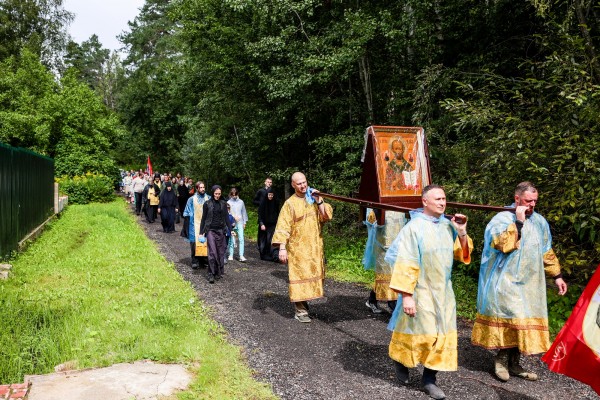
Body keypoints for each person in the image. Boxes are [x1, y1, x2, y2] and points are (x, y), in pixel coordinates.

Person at [471, 181, 567, 383]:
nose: (532, 205)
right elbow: (501, 244)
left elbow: (546, 250)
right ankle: (501, 360)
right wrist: (519, 222)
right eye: (527, 201)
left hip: (530, 283)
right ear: (517, 199)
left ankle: (515, 363)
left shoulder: (540, 222)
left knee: (523, 320)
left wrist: (557, 276)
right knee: (511, 318)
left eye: (534, 201)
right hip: (505, 281)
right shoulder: (501, 218)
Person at [385, 184, 472, 400]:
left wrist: (462, 232)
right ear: (425, 201)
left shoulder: (448, 226)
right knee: (420, 333)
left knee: (443, 335)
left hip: (444, 292)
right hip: (420, 289)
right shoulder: (413, 228)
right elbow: (406, 261)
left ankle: (429, 379)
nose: (443, 203)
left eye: (444, 199)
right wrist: (407, 296)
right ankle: (401, 360)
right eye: (438, 199)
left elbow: (463, 255)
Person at [272, 172, 333, 323]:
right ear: (293, 185)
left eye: (304, 182)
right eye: (299, 183)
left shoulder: (314, 198)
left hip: (314, 247)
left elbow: (326, 217)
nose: (303, 185)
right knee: (298, 277)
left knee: (313, 277)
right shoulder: (289, 204)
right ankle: (300, 311)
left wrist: (319, 201)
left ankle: (304, 306)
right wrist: (282, 248)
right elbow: (283, 226)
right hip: (297, 250)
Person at [362, 208, 406, 314]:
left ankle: (372, 300)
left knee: (395, 274)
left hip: (398, 245)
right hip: (383, 245)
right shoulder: (378, 201)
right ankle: (392, 304)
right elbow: (370, 220)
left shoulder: (401, 203)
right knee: (386, 275)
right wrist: (377, 211)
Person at [199, 185, 232, 283]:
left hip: (221, 231)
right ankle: (210, 273)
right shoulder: (207, 204)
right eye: (216, 193)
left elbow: (227, 218)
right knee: (212, 252)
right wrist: (201, 233)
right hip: (210, 231)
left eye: (219, 194)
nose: (217, 195)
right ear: (213, 193)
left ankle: (218, 272)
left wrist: (231, 230)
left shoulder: (223, 204)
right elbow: (203, 219)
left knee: (220, 252)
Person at [183, 181, 210, 269]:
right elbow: (186, 212)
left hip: (205, 224)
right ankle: (195, 261)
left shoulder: (208, 198)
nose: (202, 189)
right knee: (194, 243)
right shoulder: (191, 199)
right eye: (201, 187)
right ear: (197, 188)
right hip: (194, 224)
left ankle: (204, 260)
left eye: (203, 187)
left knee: (205, 242)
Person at [257, 188, 280, 261]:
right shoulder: (263, 203)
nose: (270, 196)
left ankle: (273, 256)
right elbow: (260, 214)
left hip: (272, 224)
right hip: (264, 224)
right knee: (263, 241)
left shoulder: (275, 203)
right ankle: (263, 255)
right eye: (269, 195)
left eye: (271, 195)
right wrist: (261, 224)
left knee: (271, 240)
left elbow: (277, 214)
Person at [227, 187, 248, 262]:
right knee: (231, 239)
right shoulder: (229, 202)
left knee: (241, 238)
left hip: (240, 222)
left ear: (237, 194)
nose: (234, 196)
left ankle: (241, 255)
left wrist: (244, 222)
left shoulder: (241, 202)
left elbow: (244, 212)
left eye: (235, 195)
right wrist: (233, 217)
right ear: (231, 195)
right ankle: (231, 254)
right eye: (232, 195)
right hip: (232, 223)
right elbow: (227, 212)